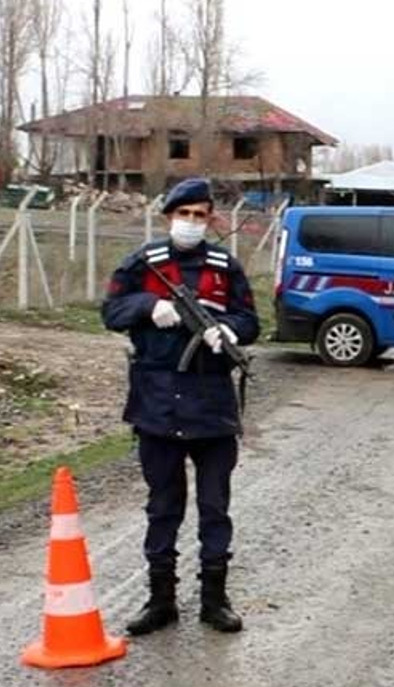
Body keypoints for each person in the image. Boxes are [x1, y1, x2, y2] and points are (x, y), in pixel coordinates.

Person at [101, 177, 260, 635]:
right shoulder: (142, 263)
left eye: (200, 215)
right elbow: (110, 312)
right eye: (183, 214)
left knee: (215, 507)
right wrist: (148, 306)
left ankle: (215, 600)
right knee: (163, 506)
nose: (191, 222)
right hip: (156, 401)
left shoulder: (223, 266)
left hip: (211, 403)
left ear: (210, 219)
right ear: (168, 215)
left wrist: (227, 330)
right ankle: (161, 601)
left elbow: (250, 320)